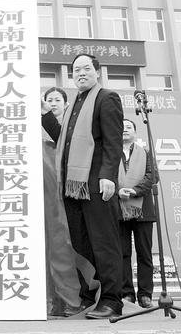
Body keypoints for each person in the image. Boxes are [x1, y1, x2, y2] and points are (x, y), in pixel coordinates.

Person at [41, 53, 124, 319]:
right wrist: (45, 114)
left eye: (86, 68)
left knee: (104, 242)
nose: (81, 73)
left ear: (97, 72)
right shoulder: (74, 103)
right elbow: (62, 140)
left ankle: (112, 300)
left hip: (97, 184)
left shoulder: (106, 98)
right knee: (81, 243)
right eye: (76, 70)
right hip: (73, 187)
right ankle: (92, 295)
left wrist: (108, 175)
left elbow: (113, 141)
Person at [41, 87, 83, 317]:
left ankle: (71, 300)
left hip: (65, 190)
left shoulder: (71, 125)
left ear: (66, 104)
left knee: (65, 244)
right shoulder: (33, 127)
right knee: (45, 245)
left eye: (57, 100)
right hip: (42, 191)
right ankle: (49, 300)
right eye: (49, 100)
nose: (53, 103)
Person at [117, 119, 155, 309]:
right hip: (118, 209)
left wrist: (135, 190)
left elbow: (152, 176)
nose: (125, 129)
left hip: (143, 210)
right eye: (121, 126)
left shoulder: (145, 153)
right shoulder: (110, 153)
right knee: (122, 253)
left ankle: (145, 294)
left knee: (144, 254)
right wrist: (118, 190)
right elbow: (106, 176)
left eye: (129, 127)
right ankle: (127, 293)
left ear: (135, 132)